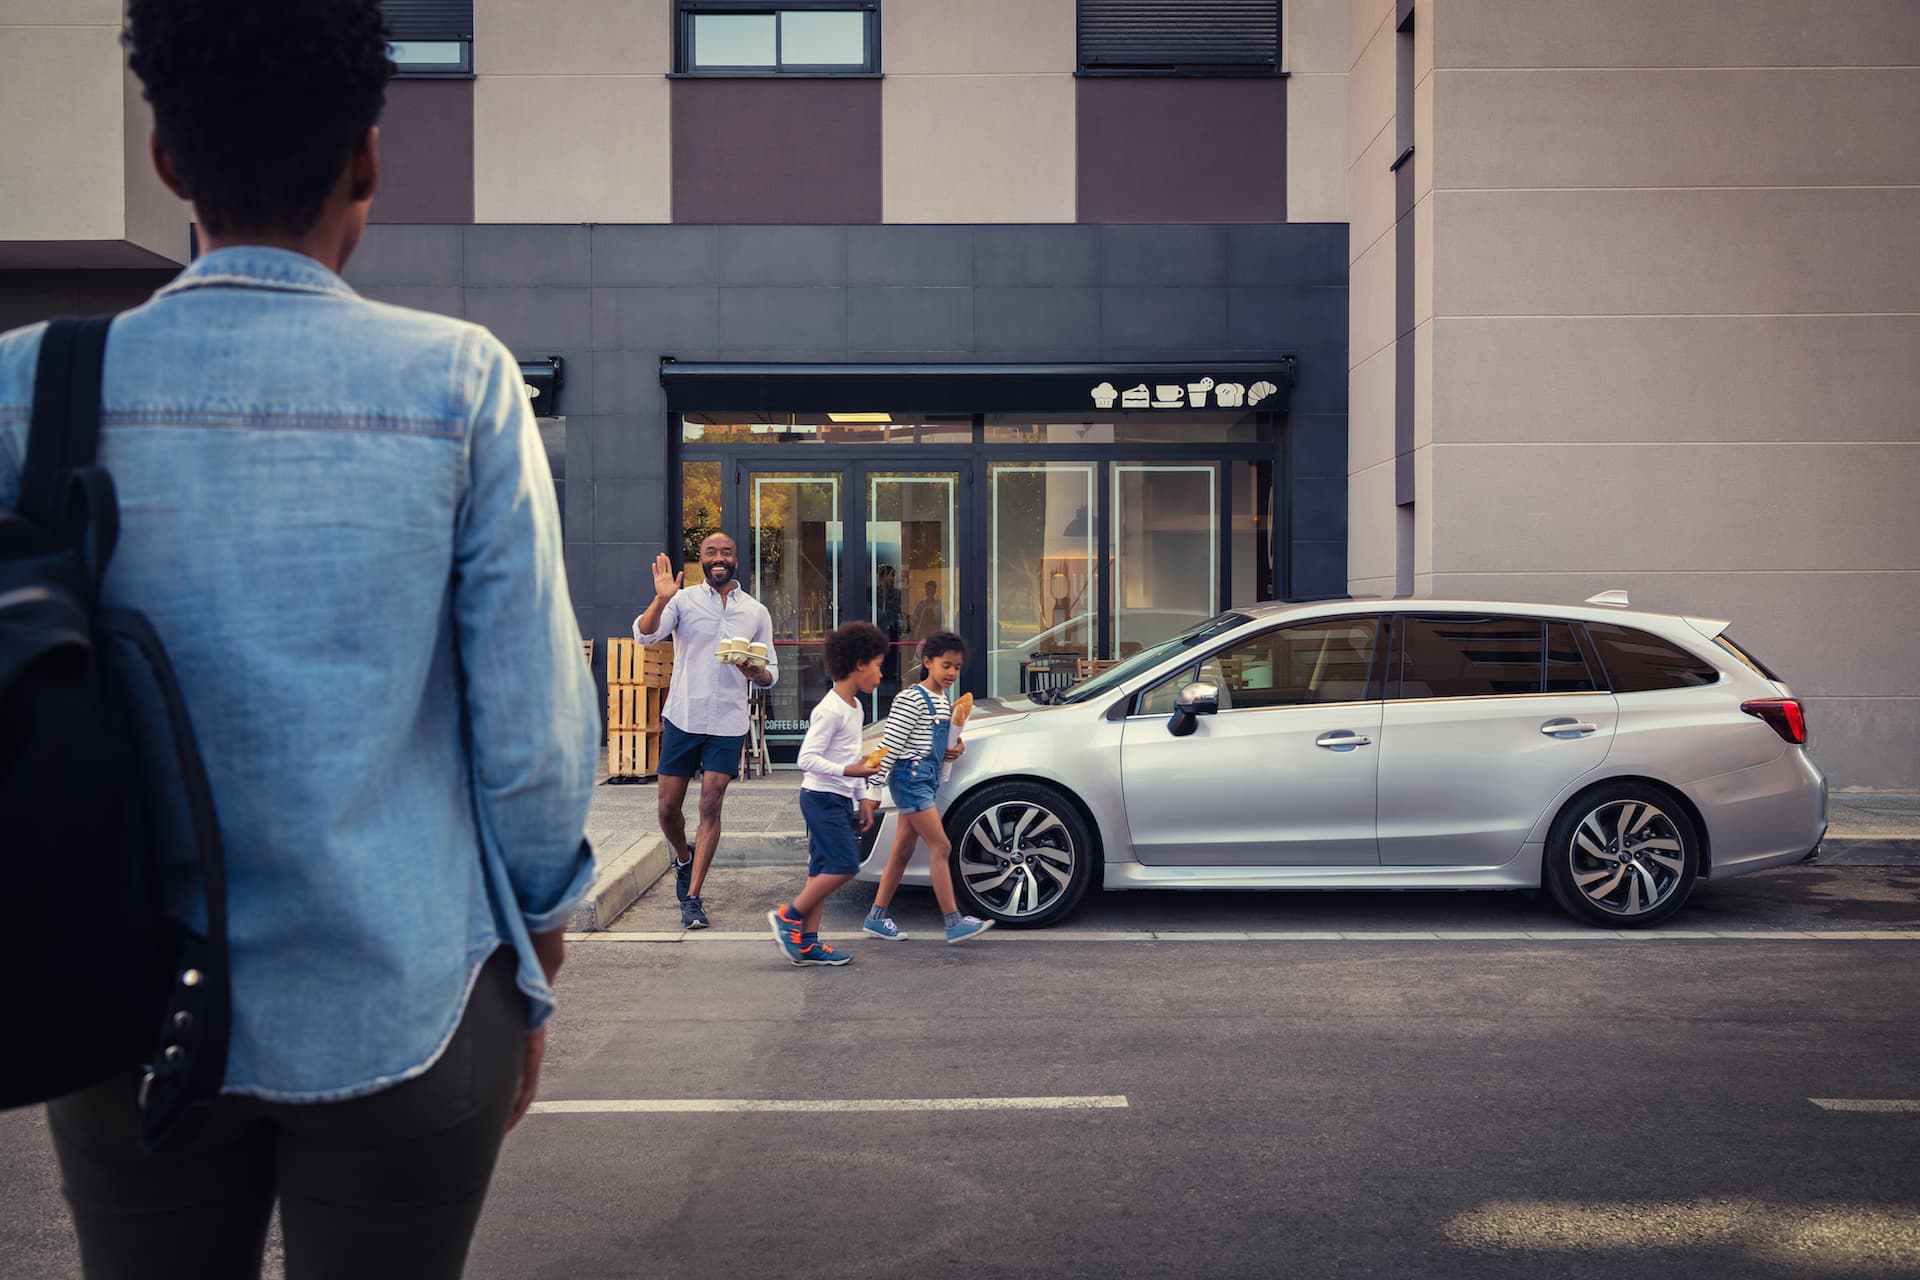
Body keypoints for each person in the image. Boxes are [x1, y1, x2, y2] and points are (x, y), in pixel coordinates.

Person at [0, 2, 600, 1275]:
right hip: (413, 989)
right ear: (367, 161)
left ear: (165, 158)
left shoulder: (28, 387)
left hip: (122, 997)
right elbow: (533, 735)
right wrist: (533, 954)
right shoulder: (460, 382)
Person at [633, 534, 777, 929]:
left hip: (727, 722)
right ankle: (684, 857)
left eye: (726, 553)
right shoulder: (682, 601)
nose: (719, 558)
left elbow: (771, 672)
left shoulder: (755, 611)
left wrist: (756, 672)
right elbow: (644, 635)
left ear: (736, 560)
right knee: (667, 809)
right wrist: (661, 598)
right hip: (683, 716)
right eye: (711, 553)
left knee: (710, 805)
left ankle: (693, 897)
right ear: (700, 560)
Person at [767, 620, 888, 966]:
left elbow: (850, 758)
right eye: (878, 667)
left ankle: (807, 943)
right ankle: (788, 916)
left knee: (820, 871)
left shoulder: (855, 707)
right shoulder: (830, 709)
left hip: (837, 798)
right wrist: (850, 772)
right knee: (845, 864)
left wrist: (862, 793)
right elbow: (807, 758)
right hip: (820, 799)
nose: (880, 676)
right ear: (860, 665)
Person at [862, 631, 994, 944]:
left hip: (924, 780)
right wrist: (874, 789)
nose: (952, 673)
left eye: (957, 667)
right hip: (911, 780)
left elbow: (940, 744)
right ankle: (953, 922)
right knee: (942, 847)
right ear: (927, 663)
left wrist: (955, 749)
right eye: (946, 665)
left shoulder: (942, 701)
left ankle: (876, 918)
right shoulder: (910, 698)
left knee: (902, 851)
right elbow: (891, 744)